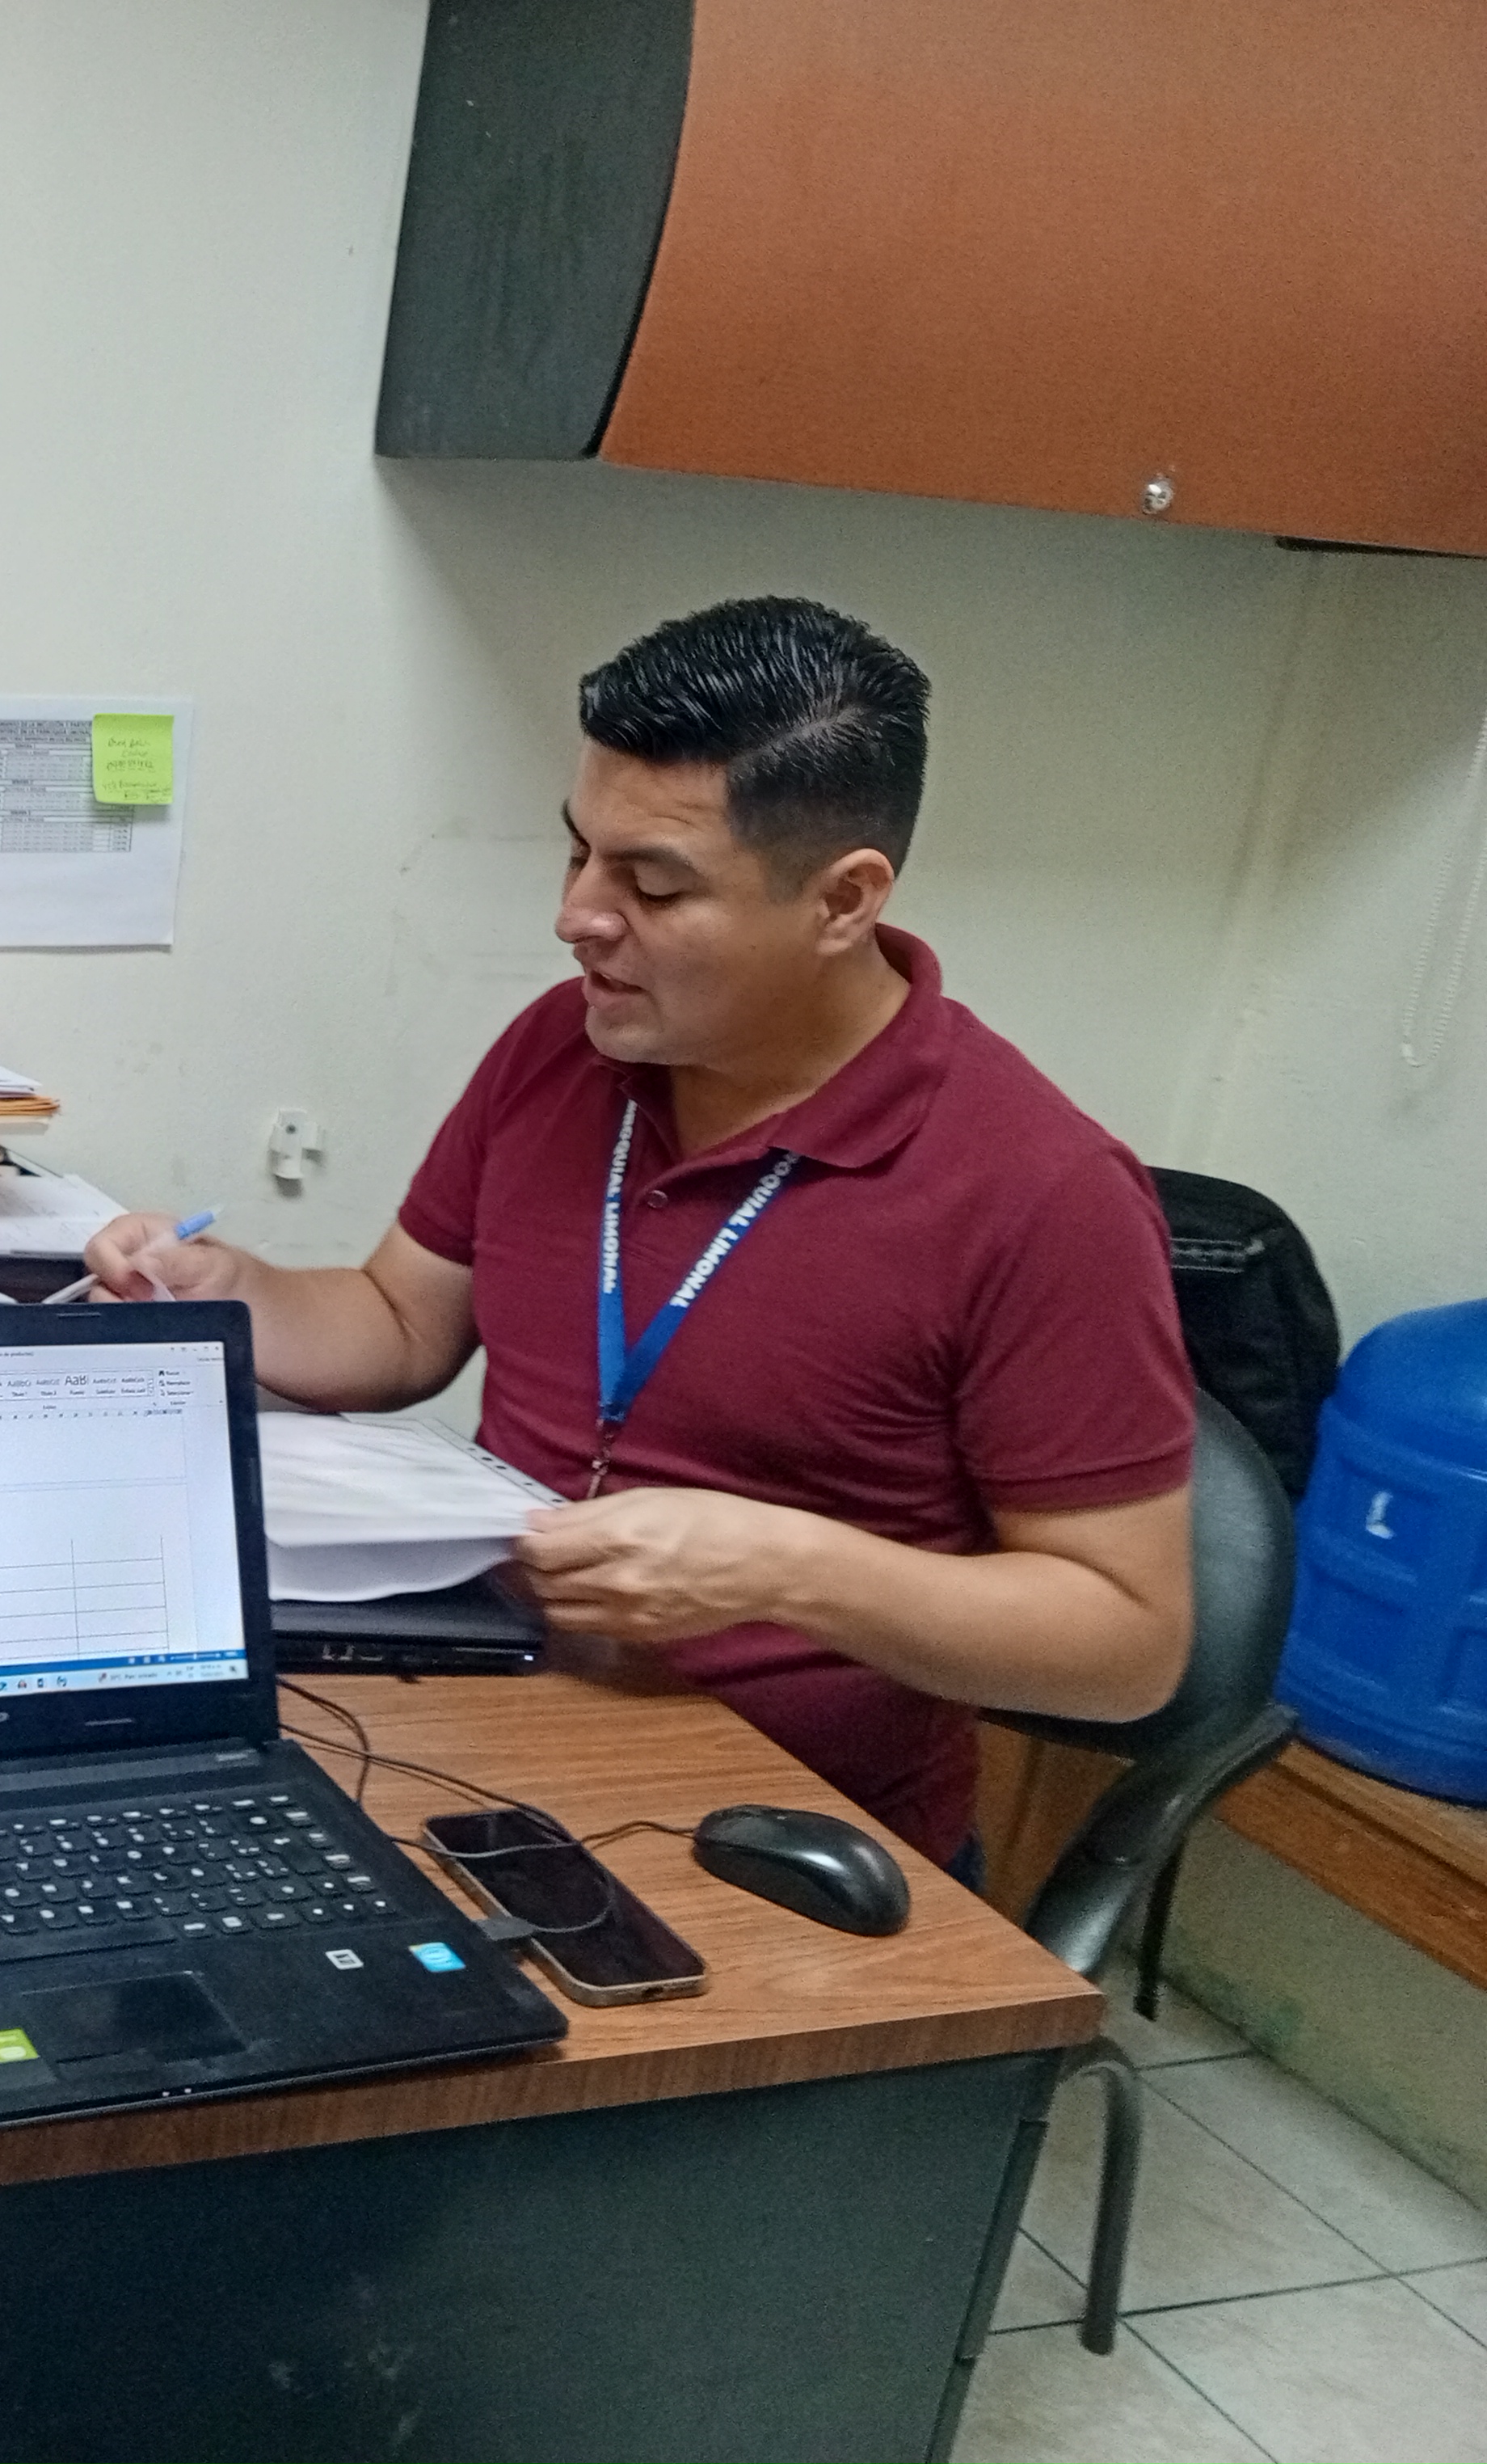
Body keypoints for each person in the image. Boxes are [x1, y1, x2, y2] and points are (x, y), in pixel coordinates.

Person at [85, 598, 1195, 1874]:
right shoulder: (565, 1047)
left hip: (773, 1831)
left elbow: (1128, 1645)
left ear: (842, 900)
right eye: (578, 854)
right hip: (477, 1721)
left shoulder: (1040, 1189)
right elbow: (399, 1326)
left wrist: (784, 1569)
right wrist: (228, 1290)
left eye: (652, 884)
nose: (578, 917)